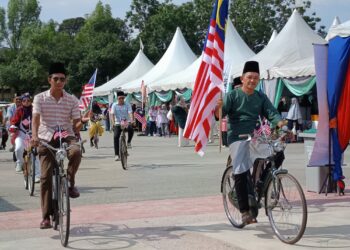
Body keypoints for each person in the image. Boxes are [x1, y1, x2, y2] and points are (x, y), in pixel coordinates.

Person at [215, 61, 285, 225]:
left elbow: (271, 111)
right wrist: (218, 109)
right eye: (249, 77)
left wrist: (281, 123)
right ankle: (245, 211)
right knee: (240, 169)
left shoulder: (260, 96)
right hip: (236, 136)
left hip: (253, 135)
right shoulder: (232, 95)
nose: (252, 80)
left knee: (278, 153)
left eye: (255, 78)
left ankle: (261, 185)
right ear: (242, 78)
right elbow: (219, 116)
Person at [31, 62, 89, 229]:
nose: (59, 82)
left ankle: (70, 183)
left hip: (65, 134)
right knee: (45, 177)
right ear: (49, 79)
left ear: (65, 80)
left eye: (62, 79)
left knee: (76, 151)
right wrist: (35, 136)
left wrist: (83, 121)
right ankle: (46, 216)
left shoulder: (71, 99)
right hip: (46, 136)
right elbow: (35, 119)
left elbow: (76, 124)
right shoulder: (39, 98)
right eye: (55, 79)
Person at [10, 93, 41, 181]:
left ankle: (37, 175)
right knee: (18, 148)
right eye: (24, 101)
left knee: (36, 154)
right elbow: (14, 121)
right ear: (22, 102)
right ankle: (20, 162)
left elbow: (41, 120)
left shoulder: (35, 109)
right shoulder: (19, 110)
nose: (26, 102)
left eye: (28, 100)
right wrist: (13, 126)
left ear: (31, 101)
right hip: (22, 134)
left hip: (34, 134)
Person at [110, 91, 134, 161]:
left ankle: (129, 142)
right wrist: (113, 123)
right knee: (116, 136)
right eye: (120, 98)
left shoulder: (127, 104)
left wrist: (132, 120)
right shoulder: (114, 105)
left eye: (123, 98)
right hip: (118, 123)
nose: (121, 100)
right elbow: (112, 115)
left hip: (126, 122)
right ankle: (117, 155)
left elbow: (130, 113)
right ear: (117, 98)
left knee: (130, 129)